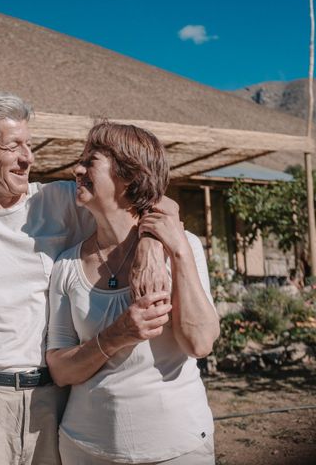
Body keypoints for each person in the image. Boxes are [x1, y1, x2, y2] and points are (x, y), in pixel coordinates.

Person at [0, 92, 174, 465]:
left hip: (56, 401)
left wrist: (150, 247)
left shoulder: (59, 201)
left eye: (27, 144)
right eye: (13, 146)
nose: (28, 157)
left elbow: (154, 200)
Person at [46, 121, 220, 465]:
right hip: (85, 447)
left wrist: (177, 252)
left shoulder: (183, 248)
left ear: (129, 177)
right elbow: (61, 371)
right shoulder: (66, 265)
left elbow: (199, 344)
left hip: (178, 448)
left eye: (90, 161)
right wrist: (117, 335)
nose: (76, 169)